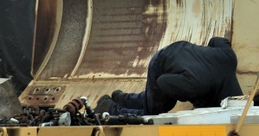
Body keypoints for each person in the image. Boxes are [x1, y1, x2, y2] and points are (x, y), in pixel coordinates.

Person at [96, 37, 242, 116]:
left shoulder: (229, 58)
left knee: (155, 100)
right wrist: (187, 95)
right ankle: (109, 107)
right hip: (160, 62)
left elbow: (217, 40)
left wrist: (200, 55)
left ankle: (123, 99)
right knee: (154, 112)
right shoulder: (195, 86)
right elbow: (163, 82)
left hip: (180, 49)